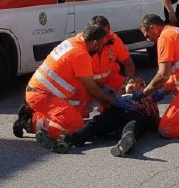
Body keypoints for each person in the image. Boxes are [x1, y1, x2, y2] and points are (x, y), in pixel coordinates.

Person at [11, 24, 124, 153]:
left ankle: (34, 116)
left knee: (81, 111)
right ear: (94, 43)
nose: (100, 49)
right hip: (44, 95)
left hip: (45, 92)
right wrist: (111, 101)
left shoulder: (74, 42)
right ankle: (32, 122)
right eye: (100, 45)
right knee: (77, 127)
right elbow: (91, 88)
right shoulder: (80, 55)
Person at [61, 76, 168, 157]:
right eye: (129, 83)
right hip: (118, 114)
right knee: (96, 122)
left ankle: (126, 143)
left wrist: (171, 83)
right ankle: (68, 140)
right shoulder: (119, 96)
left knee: (132, 127)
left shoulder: (148, 96)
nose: (132, 85)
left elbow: (164, 89)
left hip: (139, 116)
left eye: (137, 84)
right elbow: (100, 90)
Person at [88, 15, 135, 93]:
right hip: (89, 86)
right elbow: (86, 84)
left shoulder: (113, 39)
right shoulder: (83, 46)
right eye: (102, 34)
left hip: (110, 80)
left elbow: (128, 63)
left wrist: (128, 83)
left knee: (137, 93)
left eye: (107, 33)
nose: (106, 37)